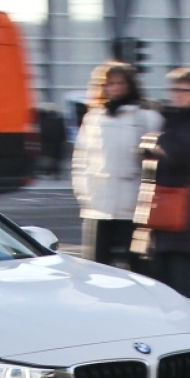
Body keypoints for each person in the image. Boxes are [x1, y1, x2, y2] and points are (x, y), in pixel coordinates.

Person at [72, 61, 162, 267]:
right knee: (98, 268)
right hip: (99, 205)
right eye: (109, 83)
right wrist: (85, 195)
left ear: (130, 85)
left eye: (119, 82)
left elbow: (155, 162)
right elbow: (81, 159)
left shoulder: (146, 117)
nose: (114, 88)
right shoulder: (93, 118)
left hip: (133, 206)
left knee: (138, 268)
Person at [142, 68, 190, 299]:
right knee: (164, 287)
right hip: (166, 210)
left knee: (181, 287)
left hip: (186, 215)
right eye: (175, 90)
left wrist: (156, 142)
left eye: (186, 90)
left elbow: (179, 154)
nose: (180, 95)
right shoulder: (171, 120)